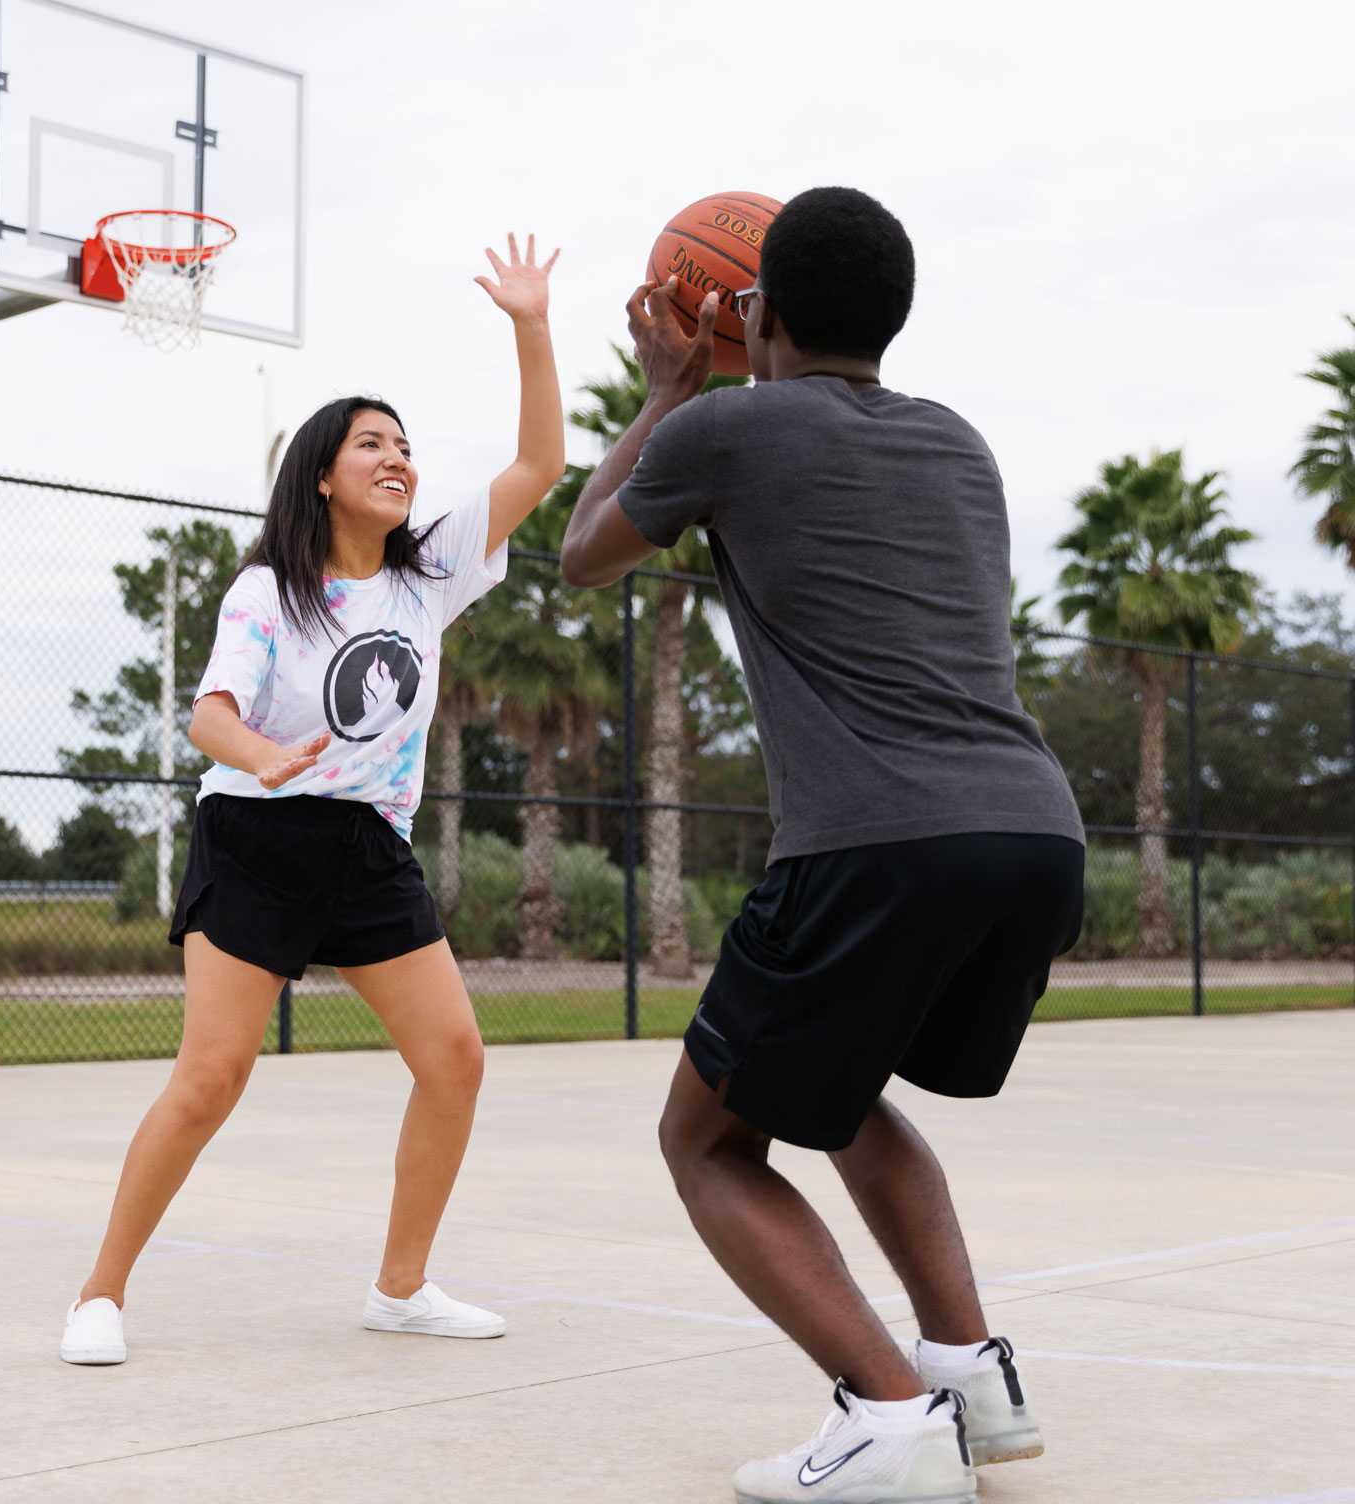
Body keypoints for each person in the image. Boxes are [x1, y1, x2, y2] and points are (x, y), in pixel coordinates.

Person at [560, 188, 1085, 1504]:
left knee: (709, 1142)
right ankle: (971, 1375)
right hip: (1031, 833)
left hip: (874, 842)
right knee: (839, 1094)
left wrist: (665, 389)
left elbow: (580, 552)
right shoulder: (960, 445)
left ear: (756, 311)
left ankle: (890, 1419)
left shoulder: (726, 426)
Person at [61, 235, 562, 1364]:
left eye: (404, 446)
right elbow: (209, 718)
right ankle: (100, 1291)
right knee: (211, 1075)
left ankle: (400, 1285)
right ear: (322, 474)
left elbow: (538, 466)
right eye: (370, 444)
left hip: (367, 845)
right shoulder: (267, 587)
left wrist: (529, 322)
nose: (397, 459)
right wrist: (263, 754)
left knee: (456, 1057)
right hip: (257, 833)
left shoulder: (428, 571)